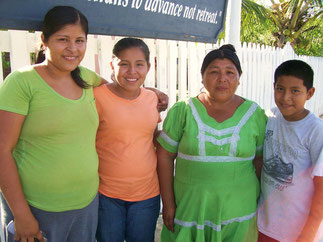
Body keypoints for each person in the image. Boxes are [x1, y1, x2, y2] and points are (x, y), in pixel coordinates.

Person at [0, 6, 167, 242]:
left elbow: (123, 90)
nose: (72, 48)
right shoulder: (21, 82)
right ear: (44, 40)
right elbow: (2, 151)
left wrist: (152, 92)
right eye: (63, 39)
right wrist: (21, 214)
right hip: (38, 208)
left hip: (86, 206)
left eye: (80, 40)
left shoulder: (85, 77)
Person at [157, 44, 267, 241]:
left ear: (239, 78)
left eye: (230, 72)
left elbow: (259, 160)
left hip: (238, 213)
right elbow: (164, 155)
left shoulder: (254, 114)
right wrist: (168, 203)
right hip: (189, 210)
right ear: (202, 77)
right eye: (214, 72)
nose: (222, 78)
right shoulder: (183, 111)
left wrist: (256, 200)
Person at [94, 38, 161, 242]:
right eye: (124, 64)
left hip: (147, 195)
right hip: (106, 195)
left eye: (139, 64)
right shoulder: (96, 97)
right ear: (112, 65)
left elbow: (150, 136)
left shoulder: (152, 99)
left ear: (149, 67)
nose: (132, 71)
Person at [257, 60, 323, 242]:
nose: (286, 97)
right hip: (263, 224)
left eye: (295, 91)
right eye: (280, 89)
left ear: (310, 93)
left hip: (297, 232)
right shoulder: (270, 117)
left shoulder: (316, 131)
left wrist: (308, 235)